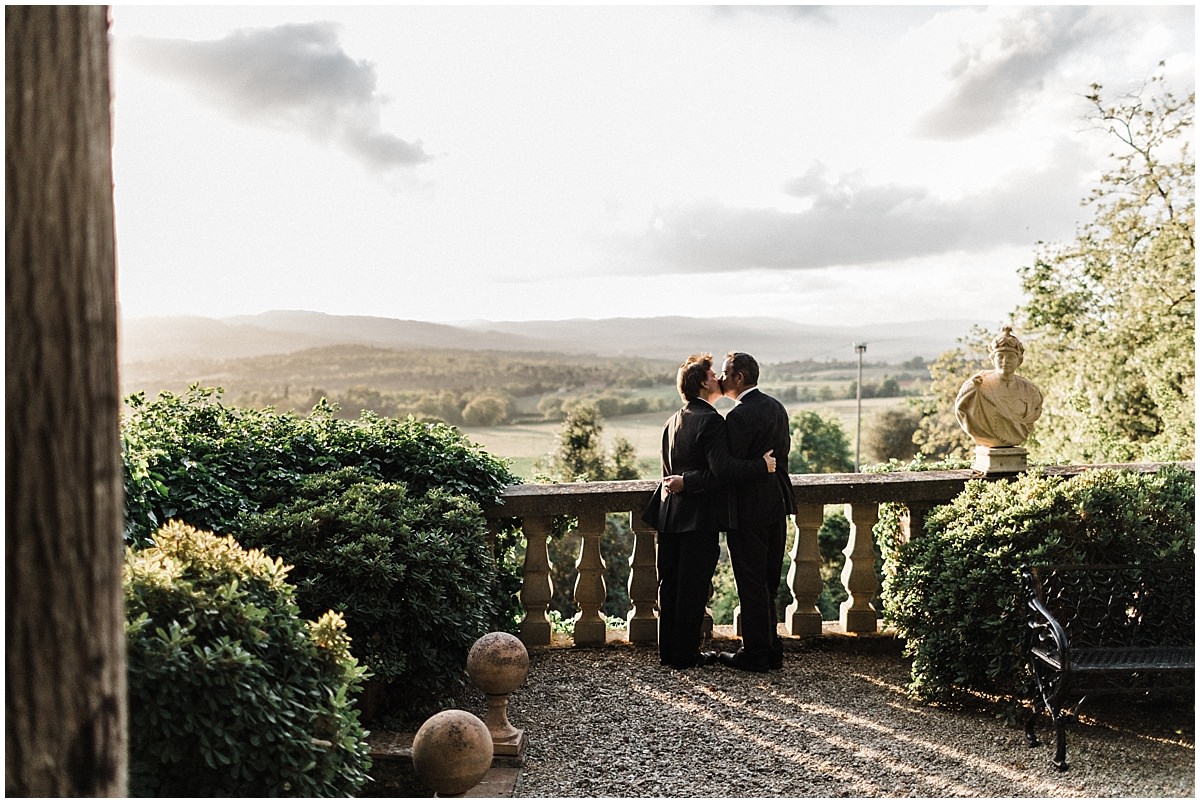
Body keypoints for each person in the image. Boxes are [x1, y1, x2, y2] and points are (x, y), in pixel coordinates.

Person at [643, 353, 776, 671]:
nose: (719, 378)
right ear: (703, 382)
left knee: (671, 585)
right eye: (713, 374)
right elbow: (721, 472)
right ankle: (686, 654)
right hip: (697, 517)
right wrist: (760, 466)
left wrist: (681, 481)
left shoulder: (672, 420)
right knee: (692, 587)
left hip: (669, 515)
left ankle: (671, 652)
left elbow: (672, 471)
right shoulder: (712, 421)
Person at [703, 351, 795, 672]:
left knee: (751, 580)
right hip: (777, 506)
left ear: (739, 377)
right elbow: (782, 457)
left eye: (727, 374)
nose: (722, 379)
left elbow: (729, 470)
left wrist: (756, 466)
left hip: (749, 510)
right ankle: (771, 647)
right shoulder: (777, 408)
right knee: (768, 580)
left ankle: (755, 652)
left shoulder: (739, 417)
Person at [954, 326, 1043, 448]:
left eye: (1011, 357)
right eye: (1000, 356)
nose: (1005, 361)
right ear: (992, 360)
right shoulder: (977, 388)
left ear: (1019, 361)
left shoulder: (1030, 391)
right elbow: (961, 410)